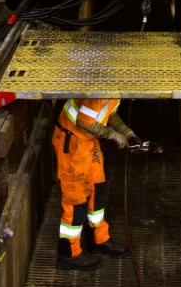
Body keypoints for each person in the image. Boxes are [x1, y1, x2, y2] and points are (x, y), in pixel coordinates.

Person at [51, 97, 140, 270]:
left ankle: (98, 239)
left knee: (97, 189)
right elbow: (84, 121)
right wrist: (113, 135)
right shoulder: (100, 90)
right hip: (73, 143)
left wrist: (128, 133)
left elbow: (109, 113)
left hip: (87, 142)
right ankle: (69, 253)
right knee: (76, 200)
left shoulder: (114, 87)